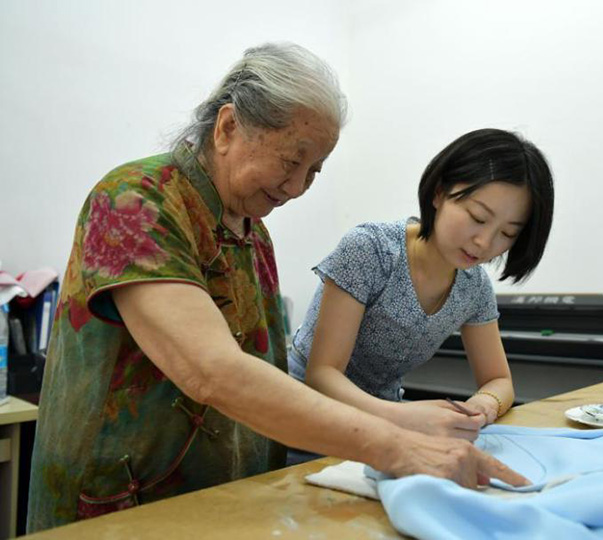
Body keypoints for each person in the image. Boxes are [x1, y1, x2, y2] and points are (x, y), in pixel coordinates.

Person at [26, 43, 528, 533]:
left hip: (228, 498)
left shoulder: (250, 231)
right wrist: (395, 441)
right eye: (291, 162)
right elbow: (213, 372)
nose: (296, 188)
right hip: (122, 505)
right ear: (227, 127)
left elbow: (261, 371)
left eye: (313, 172)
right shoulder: (136, 200)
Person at [288, 128, 554, 448]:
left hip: (385, 426)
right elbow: (322, 375)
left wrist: (483, 406)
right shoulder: (371, 250)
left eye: (507, 234)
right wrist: (405, 416)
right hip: (304, 418)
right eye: (477, 217)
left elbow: (499, 381)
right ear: (439, 193)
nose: (484, 242)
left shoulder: (473, 286)